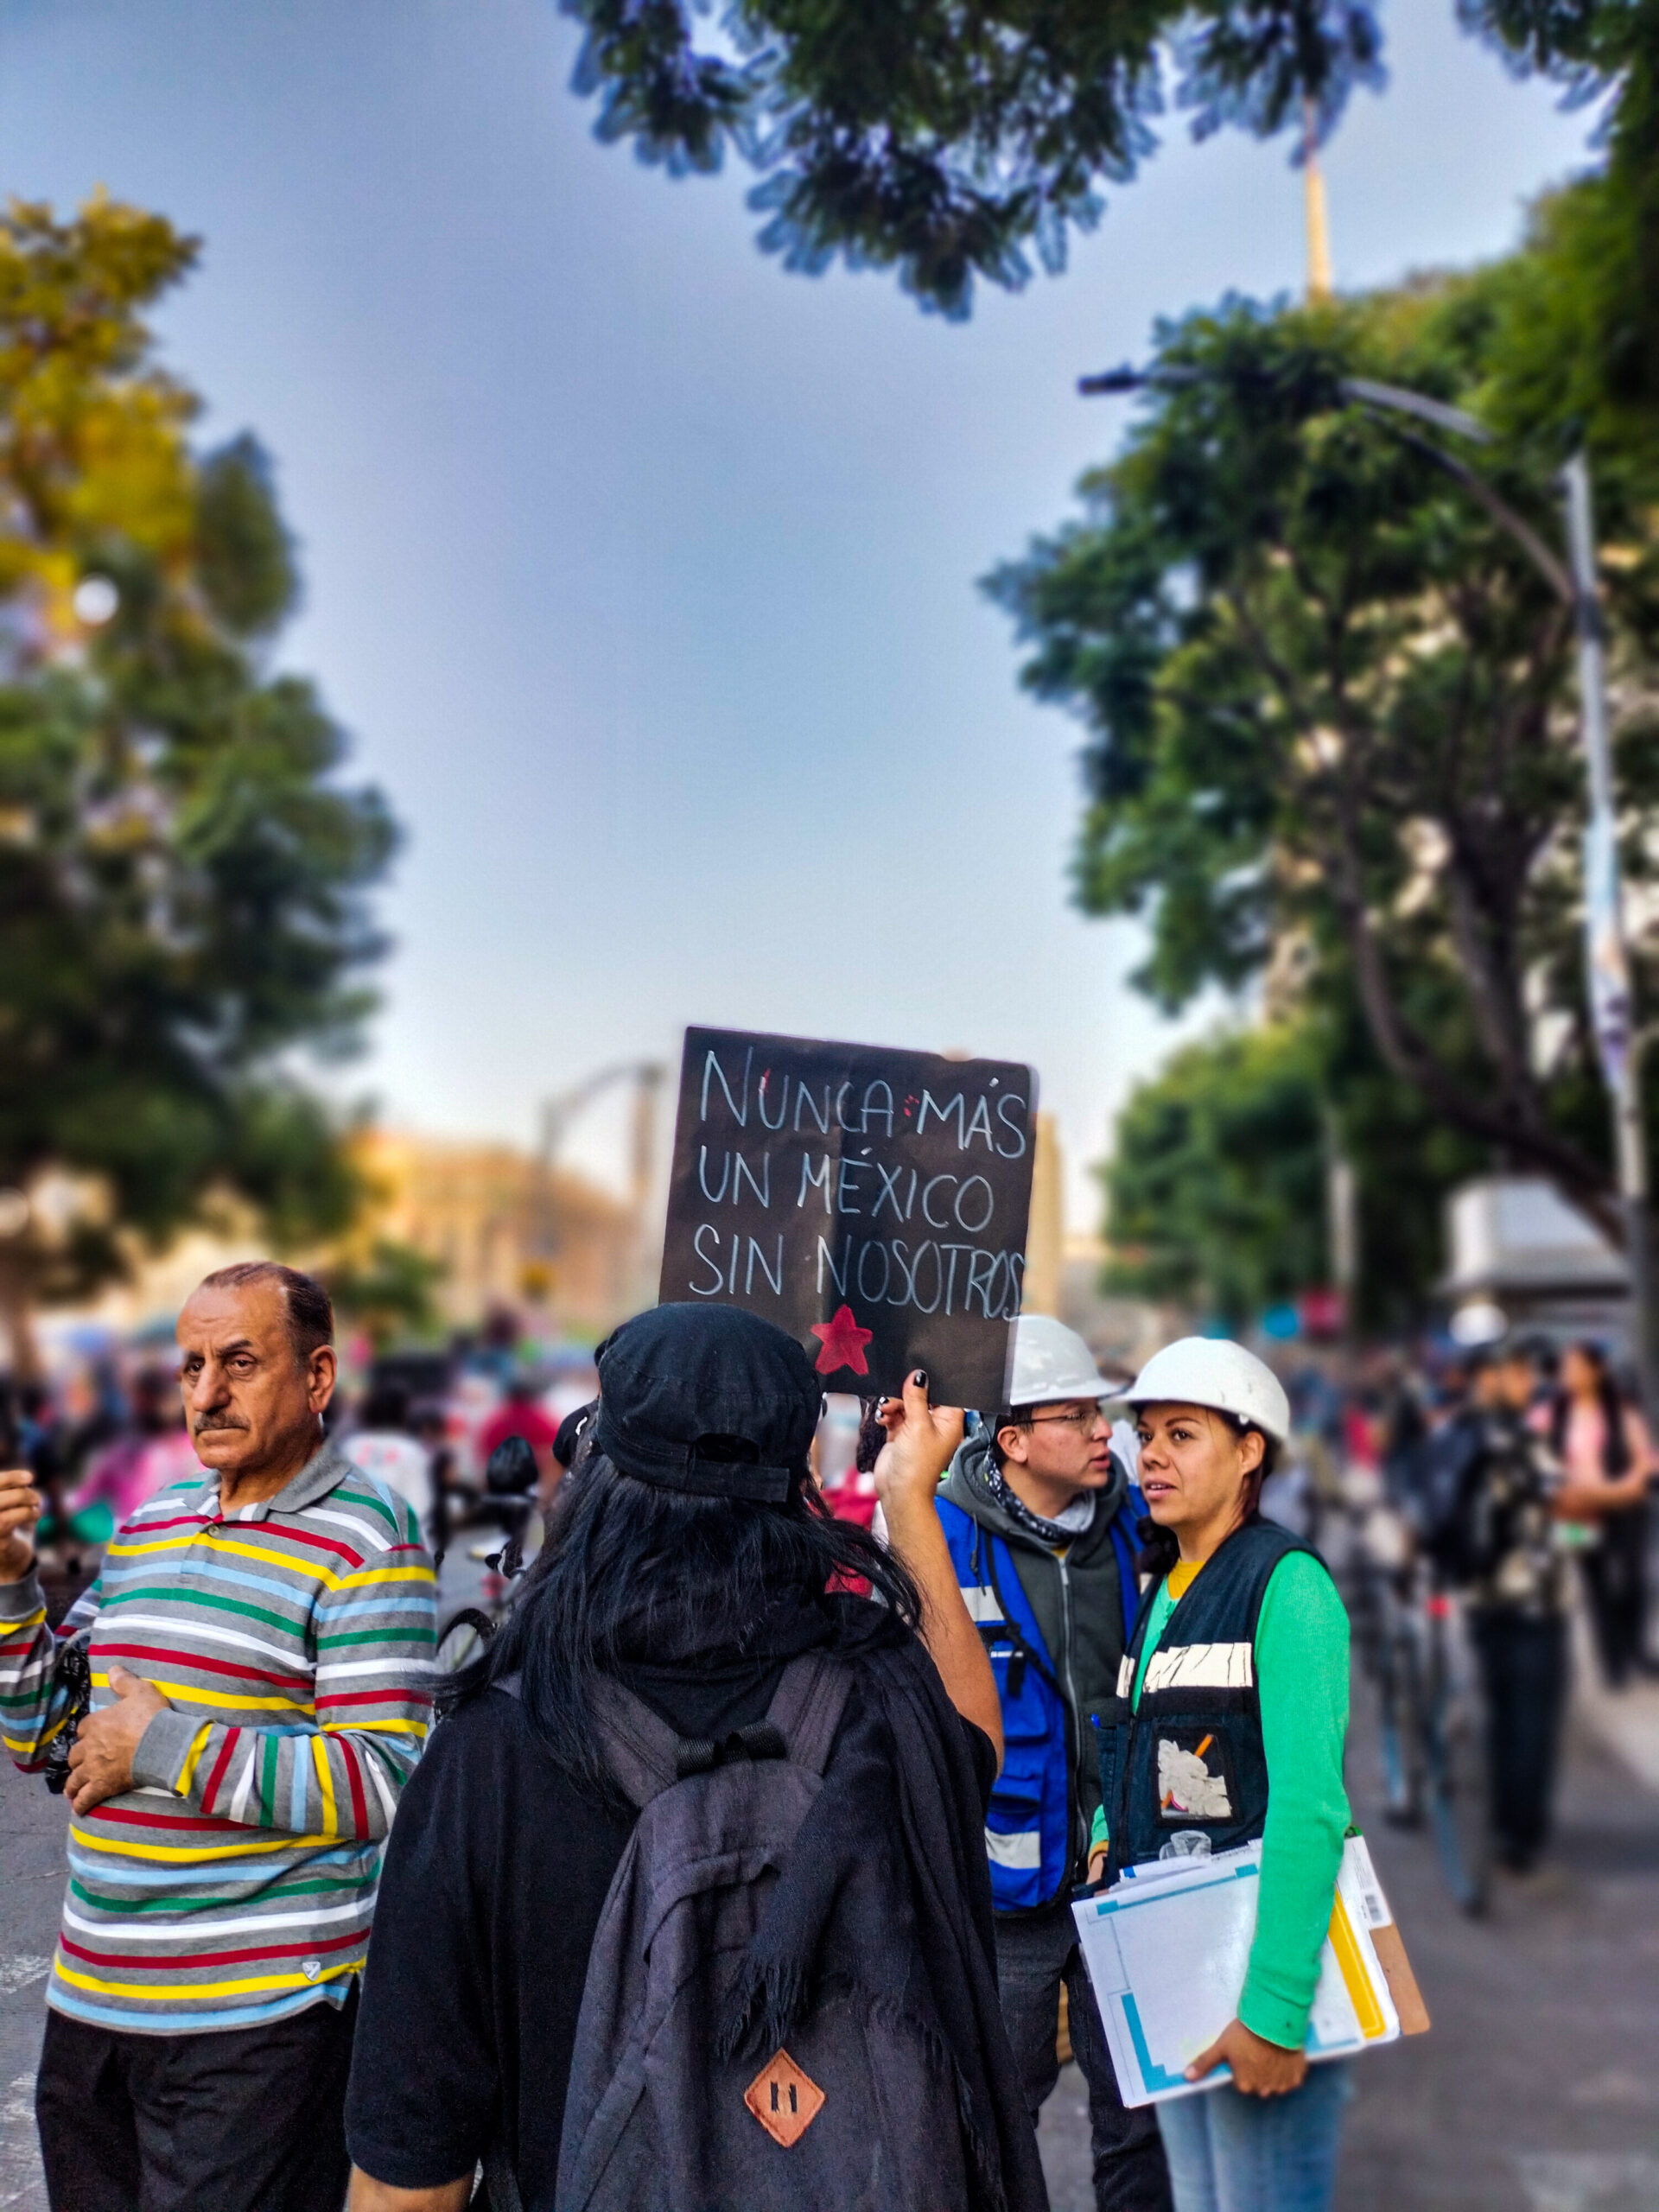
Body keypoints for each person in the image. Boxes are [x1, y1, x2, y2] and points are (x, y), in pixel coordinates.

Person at [343, 1303, 1047, 2212]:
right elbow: (973, 1750)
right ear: (797, 1484)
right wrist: (909, 1496)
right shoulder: (877, 1691)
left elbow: (409, 2183)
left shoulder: (491, 1751)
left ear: (599, 1479)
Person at [0, 1261, 436, 2212]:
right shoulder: (148, 1528)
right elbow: (50, 1732)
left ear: (317, 1377)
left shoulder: (370, 1540)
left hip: (260, 2027)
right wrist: (10, 1586)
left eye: (240, 1362)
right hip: (91, 2011)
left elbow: (385, 1779)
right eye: (191, 1365)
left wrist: (165, 1747)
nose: (206, 1393)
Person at [1089, 1338, 1351, 2212]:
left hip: (1252, 1988)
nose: (1151, 1454)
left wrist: (1274, 2013)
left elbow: (1310, 1809)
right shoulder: (1164, 1584)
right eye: (1146, 1433)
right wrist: (1103, 1838)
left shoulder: (1288, 1586)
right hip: (1182, 1975)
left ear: (1250, 1452)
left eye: (1183, 1433)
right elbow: (1137, 1737)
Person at [932, 1313, 1170, 2212]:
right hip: (1007, 1900)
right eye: (1078, 1415)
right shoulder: (944, 1536)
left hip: (1129, 1877)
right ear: (1016, 1437)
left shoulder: (1142, 1527)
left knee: (1139, 2114)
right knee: (997, 2118)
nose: (1106, 1431)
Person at [1548, 1340, 1656, 1688]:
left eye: (1576, 1366)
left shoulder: (1621, 1413)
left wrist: (1625, 1487)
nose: (1569, 1374)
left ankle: (1633, 1648)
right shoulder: (1551, 1416)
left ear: (1597, 1371)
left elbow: (1646, 1463)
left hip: (1626, 1511)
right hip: (1576, 1516)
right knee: (1596, 1587)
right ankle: (1613, 1662)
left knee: (1633, 1581)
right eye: (1566, 1367)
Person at [348, 1380, 437, 1540]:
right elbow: (421, 1505)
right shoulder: (412, 1451)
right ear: (403, 1414)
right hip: (403, 1544)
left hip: (354, 1542)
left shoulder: (351, 1447)